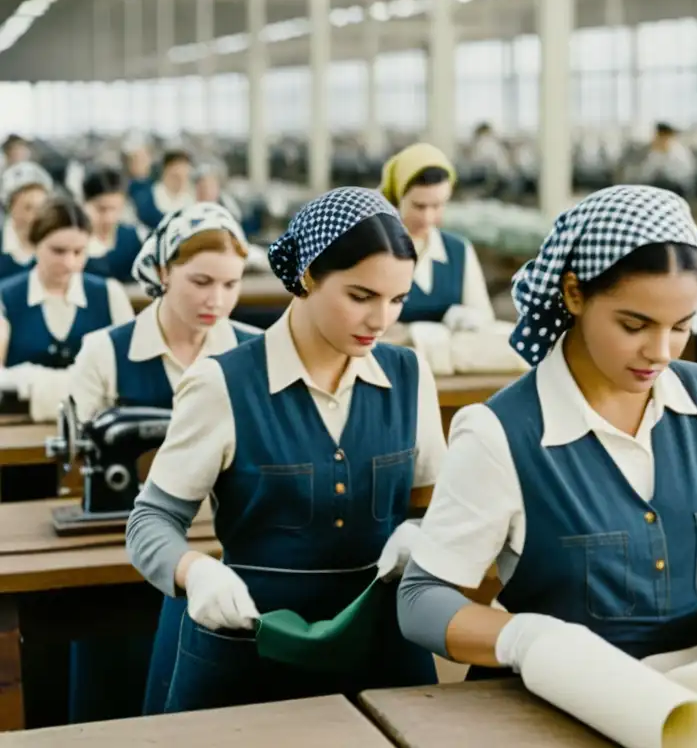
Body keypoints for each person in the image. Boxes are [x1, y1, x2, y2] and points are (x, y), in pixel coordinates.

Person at [396, 185, 697, 677]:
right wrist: (525, 638)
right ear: (574, 293)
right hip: (557, 705)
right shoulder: (502, 434)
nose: (661, 352)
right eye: (634, 325)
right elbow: (420, 601)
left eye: (681, 326)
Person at [125, 187, 445, 714]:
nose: (380, 320)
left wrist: (422, 534)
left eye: (397, 300)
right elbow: (150, 522)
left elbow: (431, 504)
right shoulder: (221, 384)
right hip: (251, 647)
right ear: (307, 275)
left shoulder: (409, 377)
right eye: (361, 296)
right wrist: (195, 571)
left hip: (379, 649)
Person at [64, 202, 259, 724]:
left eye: (231, 284)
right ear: (164, 270)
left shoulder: (253, 353)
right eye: (200, 282)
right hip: (124, 552)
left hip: (226, 557)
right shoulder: (103, 352)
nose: (216, 300)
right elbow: (75, 460)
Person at [0, 197, 134, 502]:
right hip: (20, 445)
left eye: (79, 252)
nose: (70, 262)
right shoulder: (5, 298)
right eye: (58, 251)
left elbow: (129, 370)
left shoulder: (110, 293)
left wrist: (33, 384)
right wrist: (83, 385)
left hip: (98, 443)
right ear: (35, 244)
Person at [379, 143, 494, 326]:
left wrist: (467, 319)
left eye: (437, 205)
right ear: (398, 198)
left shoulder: (459, 251)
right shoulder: (376, 249)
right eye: (419, 206)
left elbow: (484, 319)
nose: (428, 217)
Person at [81, 166, 147, 283]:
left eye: (115, 209)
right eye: (101, 209)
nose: (109, 218)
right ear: (85, 204)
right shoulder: (75, 244)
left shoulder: (133, 239)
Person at [0, 161, 53, 280]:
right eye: (28, 208)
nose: (36, 215)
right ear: (10, 207)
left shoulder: (55, 243)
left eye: (42, 207)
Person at [128, 149, 195, 230]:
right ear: (166, 170)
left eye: (185, 174)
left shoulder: (190, 200)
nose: (181, 179)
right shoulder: (147, 195)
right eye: (176, 175)